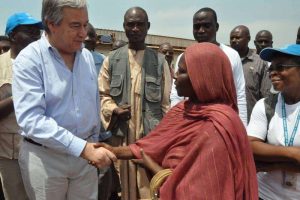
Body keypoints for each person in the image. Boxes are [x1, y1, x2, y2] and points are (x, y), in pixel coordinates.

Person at [98, 42, 258, 200]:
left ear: (201, 77)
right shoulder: (181, 110)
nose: (174, 75)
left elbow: (199, 191)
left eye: (181, 71)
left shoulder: (219, 126)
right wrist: (112, 151)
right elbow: (150, 145)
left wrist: (153, 167)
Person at [12, 1, 116, 200]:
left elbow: (91, 105)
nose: (83, 33)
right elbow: (32, 119)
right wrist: (82, 148)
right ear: (51, 24)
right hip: (46, 160)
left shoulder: (86, 57)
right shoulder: (29, 60)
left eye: (85, 25)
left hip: (85, 160)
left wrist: (92, 144)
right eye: (75, 25)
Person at [98, 6, 171, 200]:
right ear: (124, 27)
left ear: (148, 27)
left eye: (140, 24)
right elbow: (102, 95)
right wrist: (114, 110)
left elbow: (165, 105)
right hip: (120, 137)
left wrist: (163, 140)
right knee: (121, 186)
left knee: (148, 186)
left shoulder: (160, 61)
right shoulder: (111, 60)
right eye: (131, 24)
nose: (135, 29)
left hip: (149, 138)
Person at [169, 7, 247, 127]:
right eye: (197, 26)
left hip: (222, 123)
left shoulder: (231, 55)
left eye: (206, 26)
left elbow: (239, 94)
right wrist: (177, 121)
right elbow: (175, 96)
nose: (201, 30)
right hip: (189, 120)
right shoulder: (184, 57)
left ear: (217, 27)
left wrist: (241, 128)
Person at [0, 12, 44, 200]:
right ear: (12, 36)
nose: (36, 36)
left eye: (37, 31)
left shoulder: (46, 64)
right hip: (10, 153)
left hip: (43, 150)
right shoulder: (1, 65)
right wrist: (20, 95)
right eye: (29, 31)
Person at [247, 44, 300, 200]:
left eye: (281, 67)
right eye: (271, 68)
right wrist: (293, 153)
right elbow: (250, 146)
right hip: (265, 194)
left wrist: (274, 164)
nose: (272, 73)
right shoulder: (265, 105)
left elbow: (260, 152)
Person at [230, 25, 271, 122]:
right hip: (228, 118)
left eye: (238, 37)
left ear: (248, 39)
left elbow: (265, 95)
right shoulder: (225, 60)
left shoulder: (260, 62)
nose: (234, 40)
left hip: (251, 120)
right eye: (232, 38)